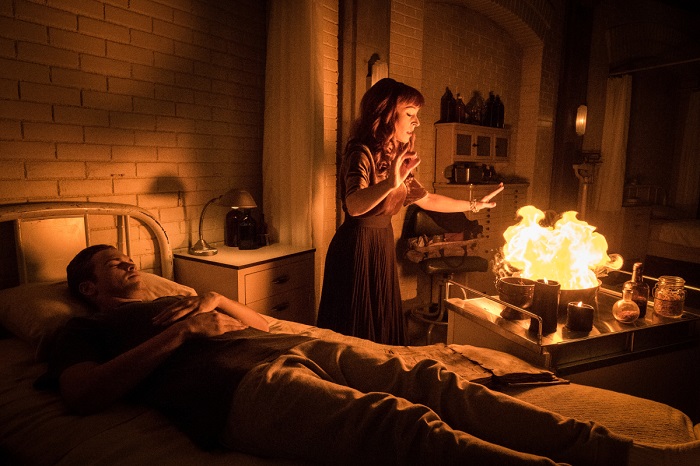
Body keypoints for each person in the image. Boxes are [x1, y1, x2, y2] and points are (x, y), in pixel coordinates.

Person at [36, 243, 651, 466]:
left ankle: (611, 449)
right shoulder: (80, 329)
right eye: (112, 263)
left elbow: (266, 321)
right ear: (88, 288)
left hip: (284, 344)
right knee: (399, 425)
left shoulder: (176, 297)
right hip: (234, 387)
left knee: (433, 380)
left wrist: (218, 302)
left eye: (126, 256)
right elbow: (82, 394)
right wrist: (184, 331)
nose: (128, 261)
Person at [317, 77, 504, 345]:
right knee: (357, 329)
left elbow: (428, 200)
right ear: (386, 114)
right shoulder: (361, 152)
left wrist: (475, 204)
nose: (416, 122)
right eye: (410, 114)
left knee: (380, 323)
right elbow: (354, 205)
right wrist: (391, 182)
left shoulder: (395, 155)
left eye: (417, 115)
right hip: (357, 246)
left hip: (380, 243)